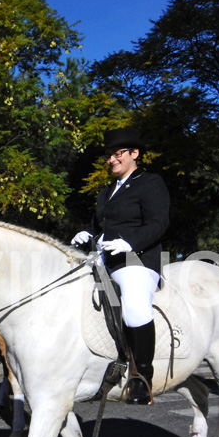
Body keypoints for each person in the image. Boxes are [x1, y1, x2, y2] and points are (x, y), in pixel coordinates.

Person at [71, 128, 170, 405]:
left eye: (118, 154)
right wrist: (85, 234)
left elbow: (158, 222)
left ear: (134, 153)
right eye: (109, 156)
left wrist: (130, 242)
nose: (111, 160)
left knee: (135, 302)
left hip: (137, 258)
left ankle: (142, 377)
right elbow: (98, 226)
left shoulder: (150, 182)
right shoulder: (105, 193)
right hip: (104, 258)